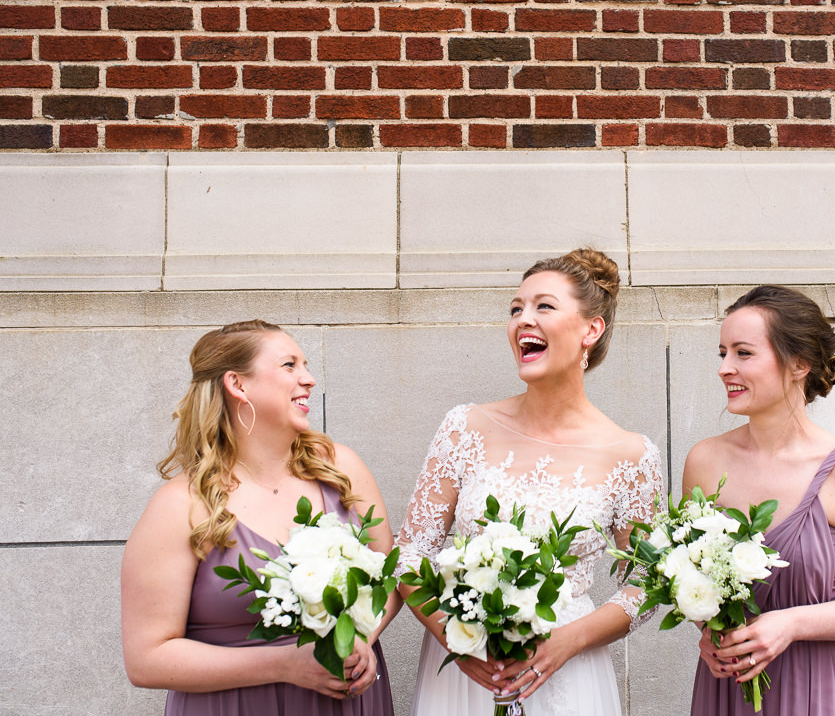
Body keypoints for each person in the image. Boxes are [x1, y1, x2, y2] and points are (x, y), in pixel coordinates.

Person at [394, 248, 663, 716]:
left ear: (590, 330)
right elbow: (410, 553)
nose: (523, 320)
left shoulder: (632, 455)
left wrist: (570, 640)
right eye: (516, 309)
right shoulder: (464, 428)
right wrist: (454, 638)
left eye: (544, 306)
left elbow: (644, 583)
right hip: (466, 669)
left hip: (567, 670)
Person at [122, 320, 397, 715]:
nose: (309, 379)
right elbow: (146, 659)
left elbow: (389, 577)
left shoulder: (341, 470)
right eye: (290, 366)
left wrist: (360, 638)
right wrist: (284, 664)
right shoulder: (180, 506)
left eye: (305, 365)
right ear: (238, 384)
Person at [685, 286, 835, 716]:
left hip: (820, 690)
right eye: (722, 353)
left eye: (743, 353)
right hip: (727, 690)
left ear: (799, 364)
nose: (725, 368)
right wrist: (707, 630)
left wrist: (790, 623)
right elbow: (696, 579)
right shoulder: (705, 462)